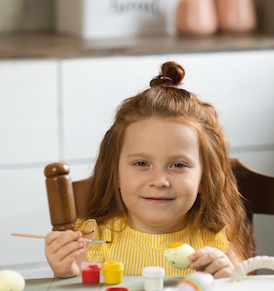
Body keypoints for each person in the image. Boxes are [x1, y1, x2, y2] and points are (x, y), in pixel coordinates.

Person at [45, 61, 253, 279]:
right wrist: (66, 272)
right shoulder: (94, 242)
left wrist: (228, 280)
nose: (158, 181)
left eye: (178, 165)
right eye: (142, 164)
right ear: (115, 174)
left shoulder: (217, 245)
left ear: (204, 178)